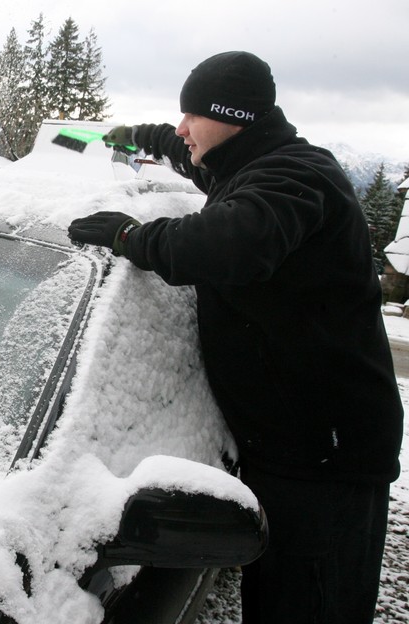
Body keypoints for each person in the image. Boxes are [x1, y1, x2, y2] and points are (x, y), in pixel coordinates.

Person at [68, 51, 403, 623]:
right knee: (276, 596)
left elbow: (227, 242)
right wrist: (118, 135)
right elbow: (182, 149)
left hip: (326, 458)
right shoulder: (246, 162)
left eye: (191, 114)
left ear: (233, 117)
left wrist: (130, 236)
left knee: (310, 604)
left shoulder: (297, 177)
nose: (181, 128)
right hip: (288, 442)